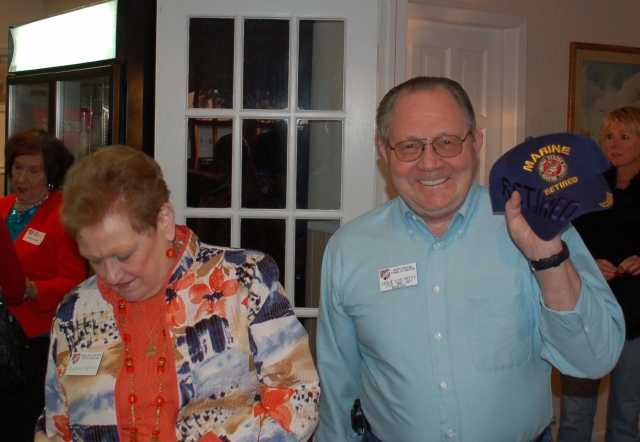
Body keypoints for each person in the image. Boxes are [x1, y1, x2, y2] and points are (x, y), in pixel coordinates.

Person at [315, 76, 625, 442]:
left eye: (447, 142)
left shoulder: (539, 226)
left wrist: (546, 258)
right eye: (409, 146)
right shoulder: (349, 250)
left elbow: (594, 360)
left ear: (476, 142)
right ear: (385, 152)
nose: (430, 163)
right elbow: (337, 385)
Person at [35, 145, 320, 441]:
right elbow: (57, 420)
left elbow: (297, 399)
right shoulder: (75, 309)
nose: (111, 275)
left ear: (164, 221)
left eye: (124, 255)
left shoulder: (243, 280)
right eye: (95, 260)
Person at [557, 106, 640, 442]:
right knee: (574, 415)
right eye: (609, 136)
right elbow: (566, 241)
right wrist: (589, 263)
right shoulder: (588, 186)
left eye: (624, 136)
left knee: (626, 413)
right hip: (587, 307)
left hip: (635, 312)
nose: (614, 144)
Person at [0, 128, 86, 442]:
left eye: (33, 171)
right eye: (17, 167)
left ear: (51, 174)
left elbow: (76, 284)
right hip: (2, 333)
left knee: (19, 423)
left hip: (34, 343)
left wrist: (33, 290)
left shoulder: (64, 214)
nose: (22, 178)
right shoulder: (3, 206)